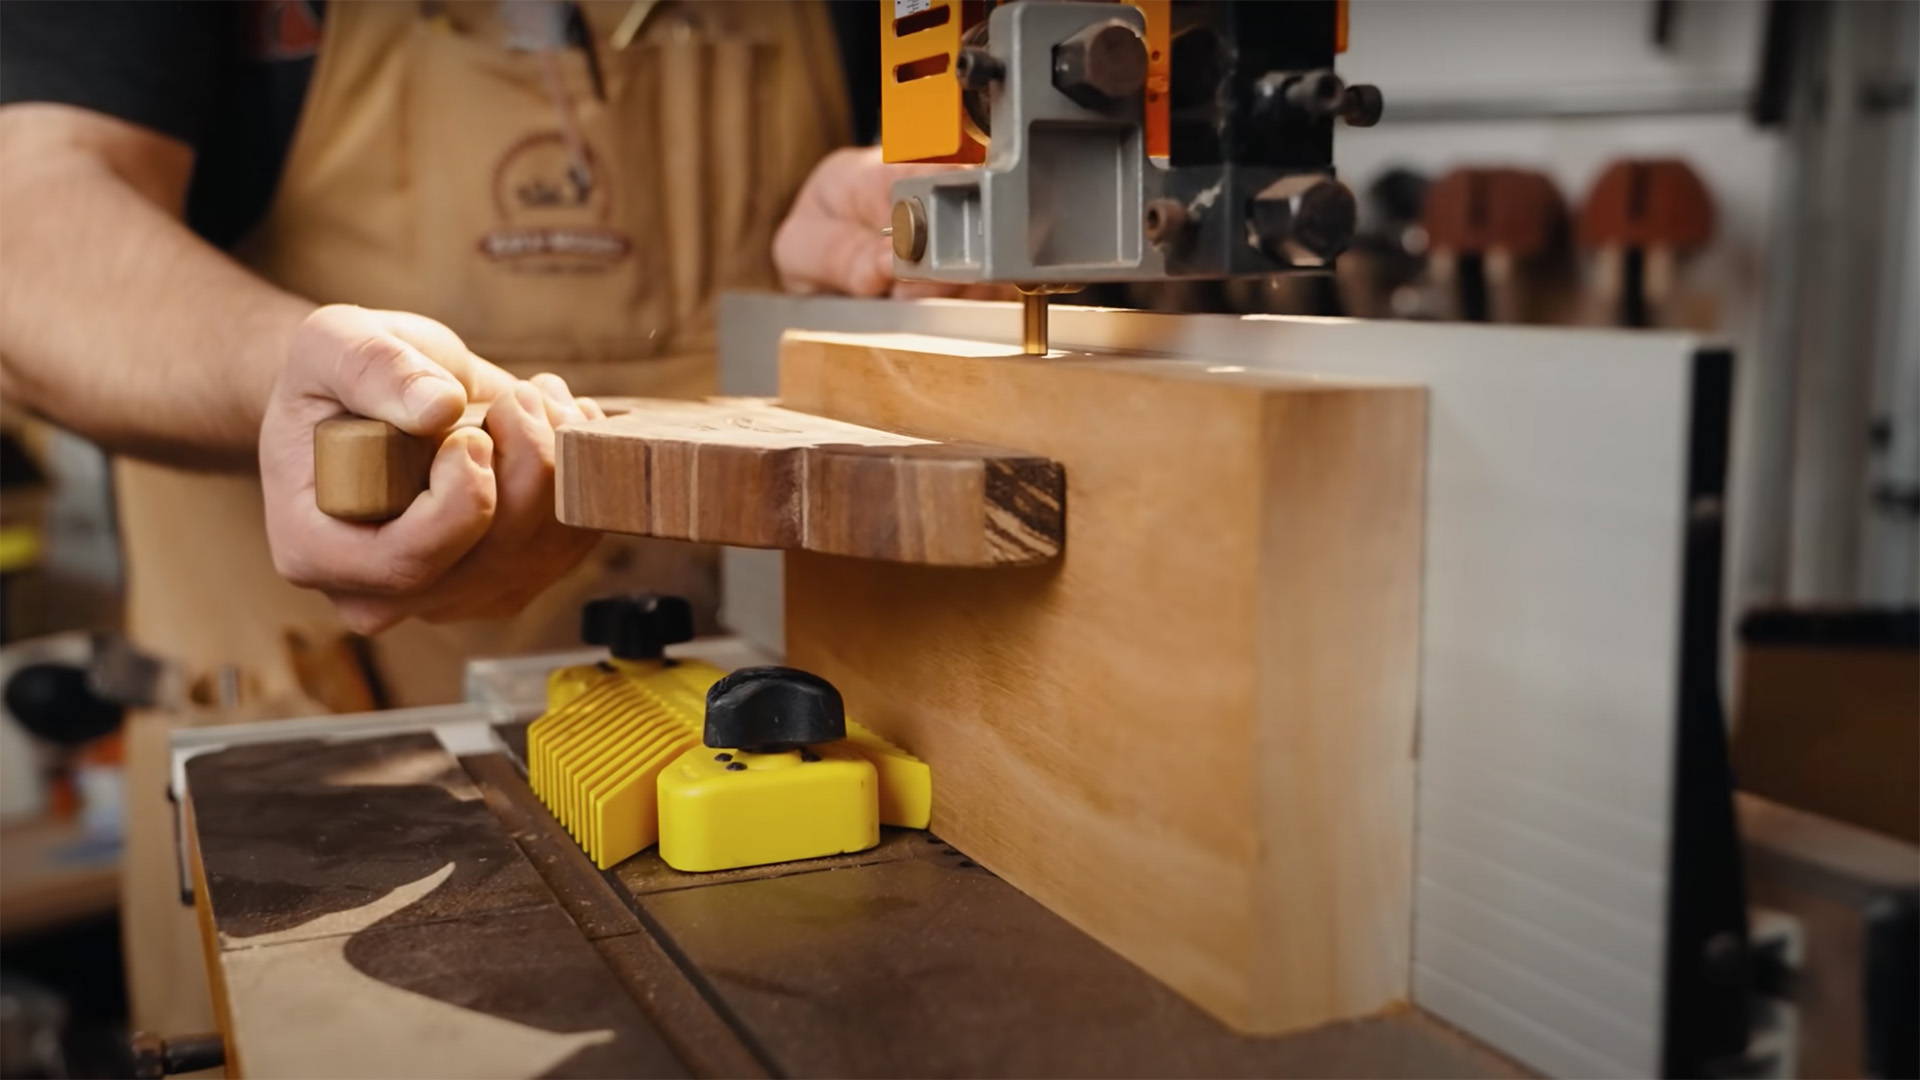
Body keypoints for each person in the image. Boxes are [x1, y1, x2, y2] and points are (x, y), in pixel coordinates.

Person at [0, 0, 934, 1034]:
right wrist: (299, 374)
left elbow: (881, 237)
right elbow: (30, 228)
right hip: (316, 793)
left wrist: (862, 279)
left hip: (781, 765)